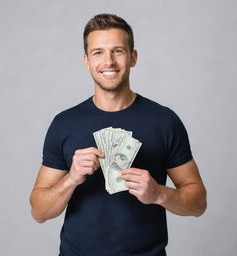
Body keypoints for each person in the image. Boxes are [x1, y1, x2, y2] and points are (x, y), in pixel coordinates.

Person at [30, 13, 207, 256]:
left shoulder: (164, 121)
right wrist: (71, 178)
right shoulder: (64, 124)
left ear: (133, 57)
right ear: (86, 61)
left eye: (118, 51)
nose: (109, 61)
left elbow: (198, 203)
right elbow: (39, 212)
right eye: (98, 52)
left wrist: (158, 194)